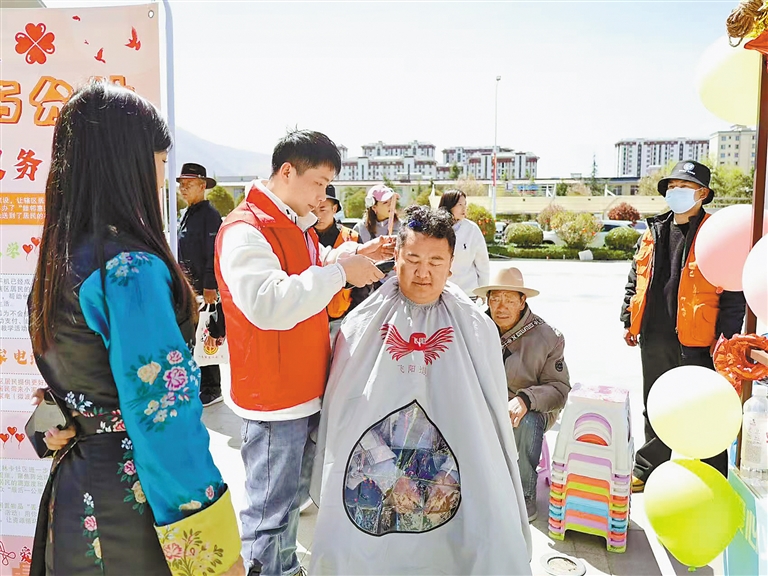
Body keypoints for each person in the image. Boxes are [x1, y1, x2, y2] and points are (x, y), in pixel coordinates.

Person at [27, 81, 241, 575]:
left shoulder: (60, 260)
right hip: (137, 508)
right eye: (161, 161)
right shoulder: (128, 270)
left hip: (75, 493)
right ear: (129, 164)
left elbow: (73, 380)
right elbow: (164, 418)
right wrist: (211, 552)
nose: (163, 176)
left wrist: (61, 422)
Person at [309, 206, 532, 575]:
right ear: (396, 256)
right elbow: (344, 409)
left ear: (451, 265)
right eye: (412, 259)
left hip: (450, 469)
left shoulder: (476, 327)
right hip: (375, 466)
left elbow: (483, 417)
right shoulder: (363, 321)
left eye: (435, 261)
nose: (423, 272)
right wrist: (386, 470)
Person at [214, 130, 395, 576]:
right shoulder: (246, 229)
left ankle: (285, 565)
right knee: (270, 510)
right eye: (318, 182)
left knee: (291, 499)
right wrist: (341, 274)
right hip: (274, 397)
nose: (322, 195)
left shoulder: (293, 223)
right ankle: (266, 569)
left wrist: (355, 254)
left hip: (301, 386)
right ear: (286, 171)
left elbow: (311, 266)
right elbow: (269, 302)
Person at [621, 160, 746, 492]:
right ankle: (648, 468)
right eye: (672, 187)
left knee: (704, 408)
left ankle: (711, 477)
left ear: (702, 193)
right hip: (654, 335)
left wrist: (724, 339)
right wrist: (628, 317)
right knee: (656, 404)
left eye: (685, 187)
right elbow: (636, 277)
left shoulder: (714, 234)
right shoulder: (654, 230)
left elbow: (733, 292)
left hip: (699, 340)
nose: (676, 192)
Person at [474, 267, 570, 522]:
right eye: (495, 298)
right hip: (484, 403)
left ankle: (524, 495)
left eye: (508, 299)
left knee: (526, 421)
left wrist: (526, 399)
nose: (501, 307)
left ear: (522, 300)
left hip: (528, 409)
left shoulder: (548, 337)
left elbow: (559, 389)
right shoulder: (475, 328)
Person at [177, 162, 225, 406]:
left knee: (206, 335)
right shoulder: (187, 214)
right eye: (181, 184)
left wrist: (210, 285)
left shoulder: (210, 215)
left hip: (203, 289)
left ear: (202, 186)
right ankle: (200, 384)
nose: (183, 188)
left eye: (189, 184)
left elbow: (213, 253)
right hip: (189, 288)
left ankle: (212, 388)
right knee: (194, 336)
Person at [312, 184, 361, 324]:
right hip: (310, 315)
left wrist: (353, 313)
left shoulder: (352, 237)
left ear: (334, 209)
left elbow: (362, 284)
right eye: (313, 210)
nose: (317, 215)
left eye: (323, 209)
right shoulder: (304, 237)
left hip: (342, 316)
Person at [439, 189, 490, 298]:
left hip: (468, 293)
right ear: (449, 205)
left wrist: (483, 290)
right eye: (460, 204)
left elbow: (483, 263)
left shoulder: (472, 229)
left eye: (465, 204)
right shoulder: (436, 229)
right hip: (441, 292)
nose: (464, 208)